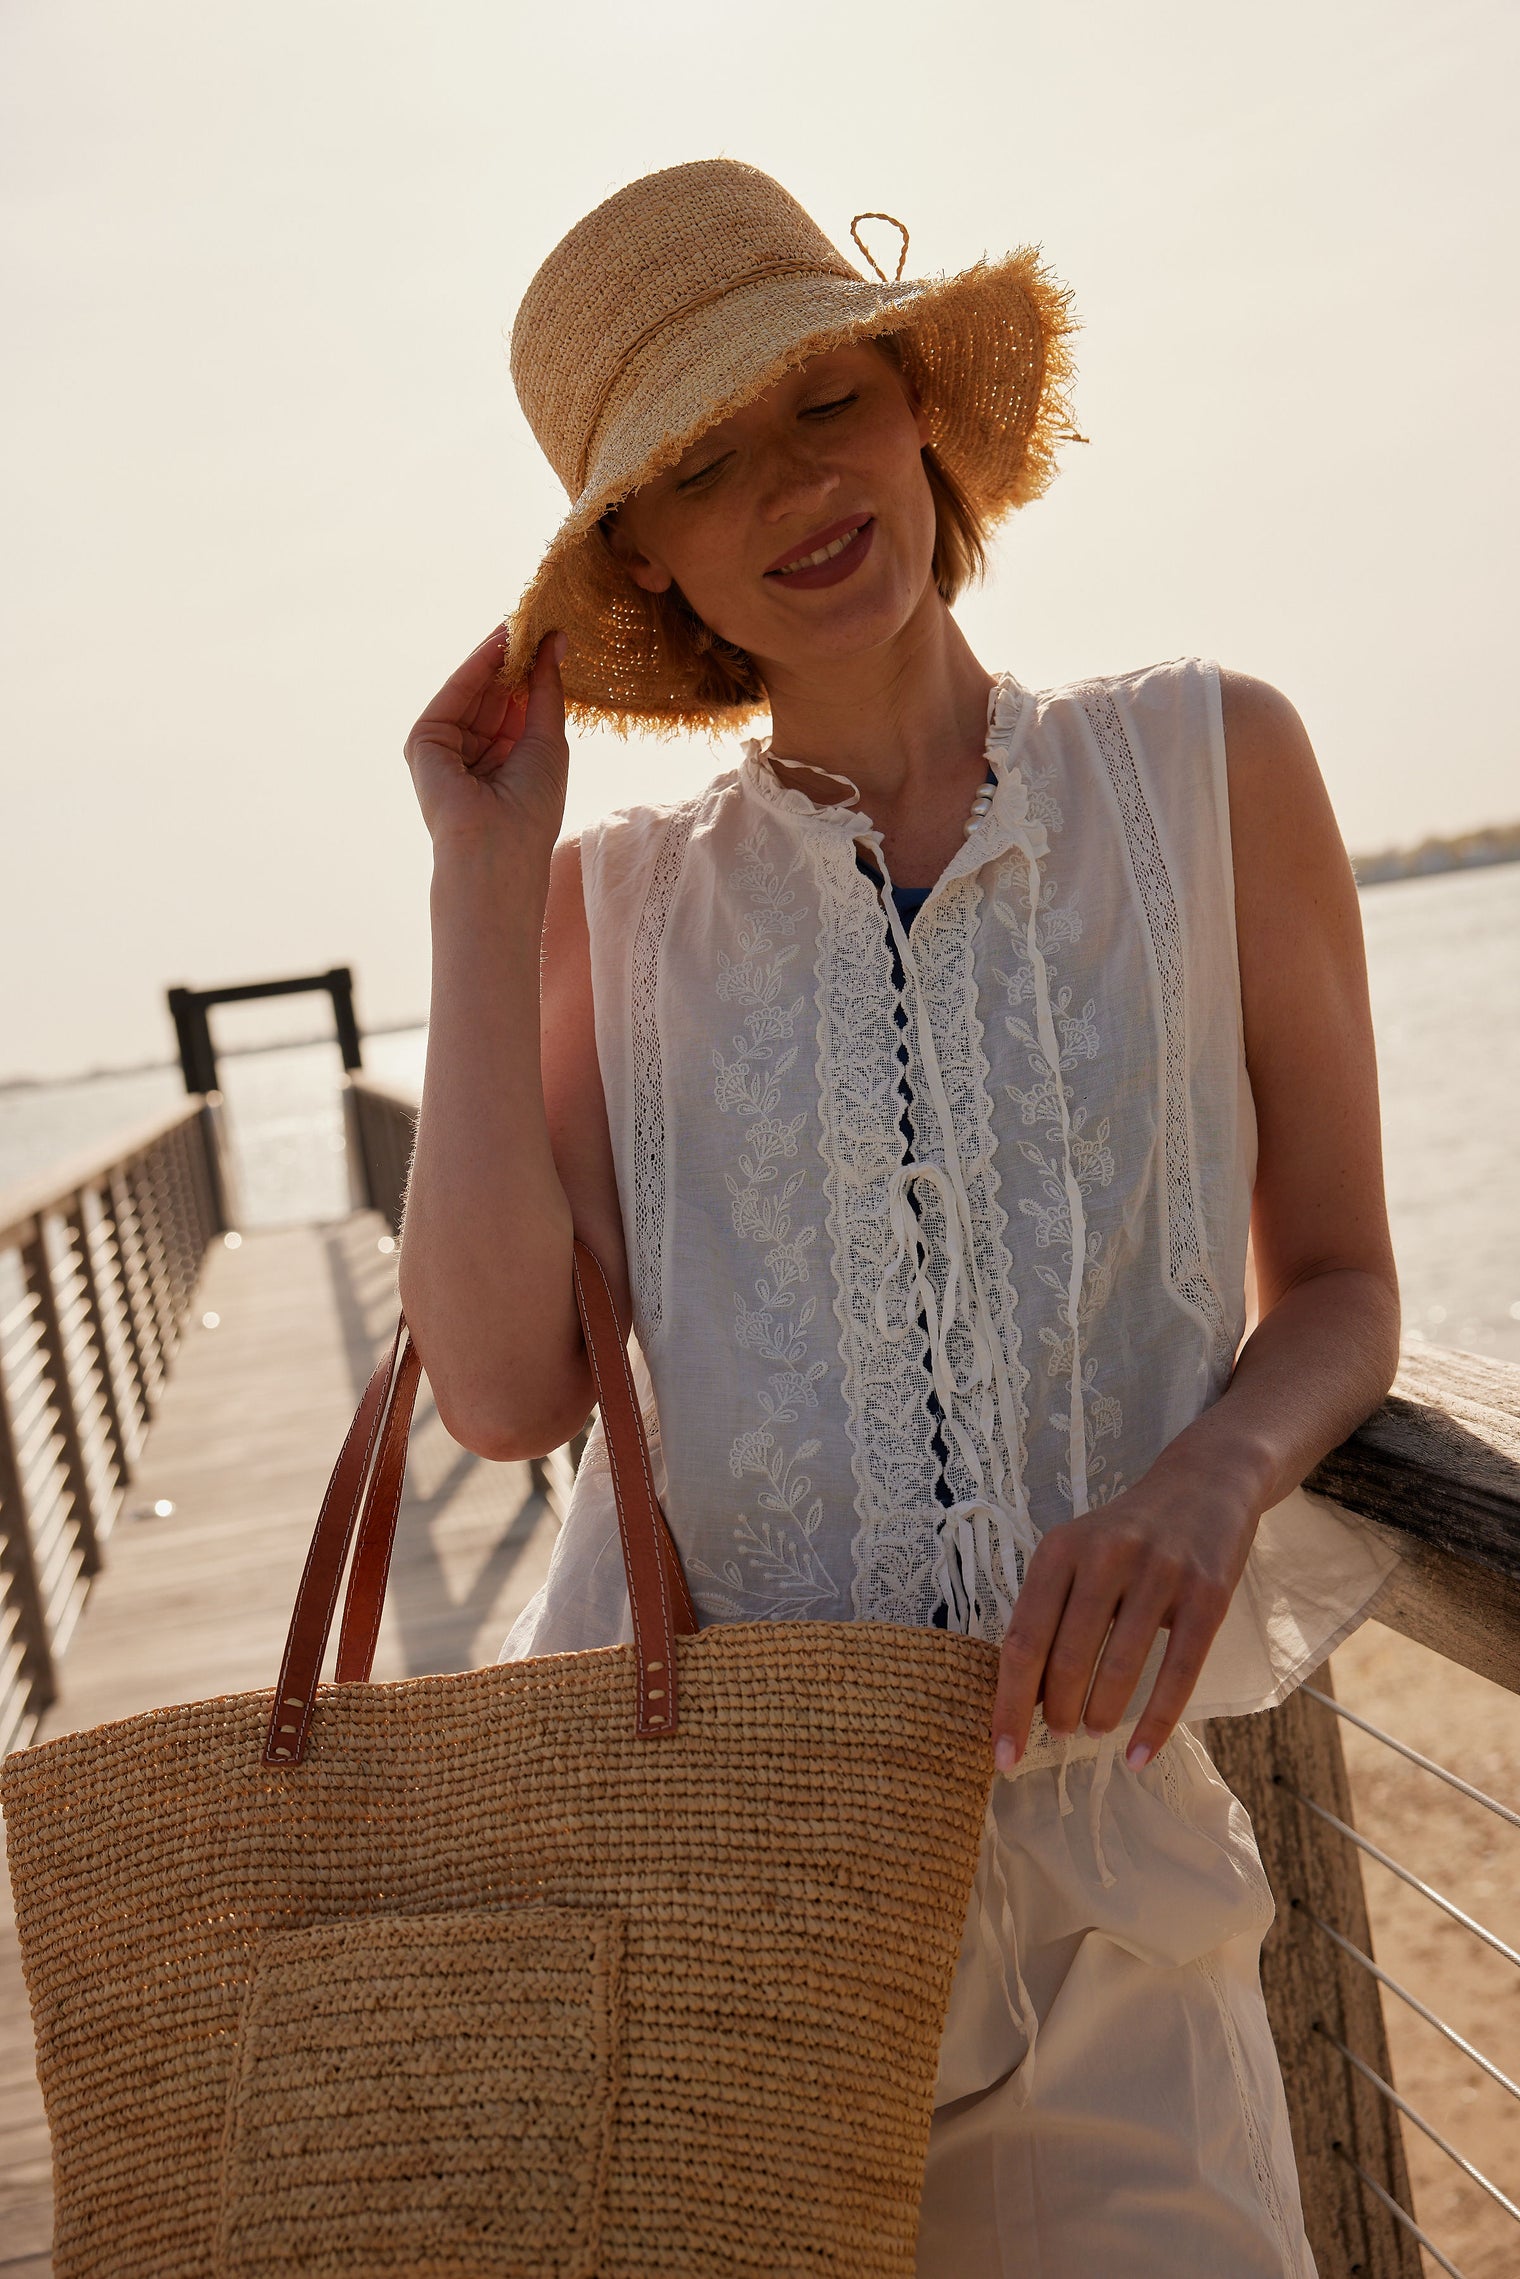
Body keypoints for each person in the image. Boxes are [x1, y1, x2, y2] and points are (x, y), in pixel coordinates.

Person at [398, 159, 1401, 2276]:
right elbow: (499, 1392)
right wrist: (479, 888)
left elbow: (1338, 1281)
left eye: (820, 405)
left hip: (1112, 1884)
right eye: (702, 463)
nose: (792, 487)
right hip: (711, 1915)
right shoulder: (613, 912)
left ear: (917, 406)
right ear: (645, 555)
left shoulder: (1212, 770)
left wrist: (1214, 1474)